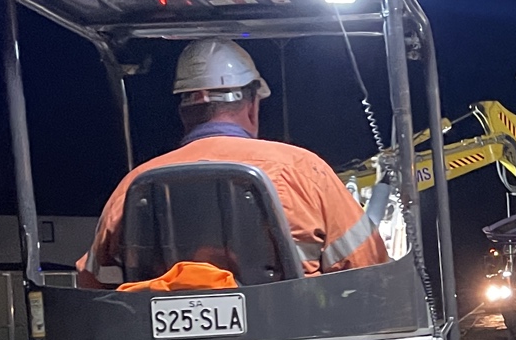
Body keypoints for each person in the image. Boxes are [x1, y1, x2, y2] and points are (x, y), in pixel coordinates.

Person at [79, 38, 387, 285]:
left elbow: (91, 283)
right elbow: (371, 270)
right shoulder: (303, 170)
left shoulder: (136, 184)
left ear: (185, 111)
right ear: (252, 105)